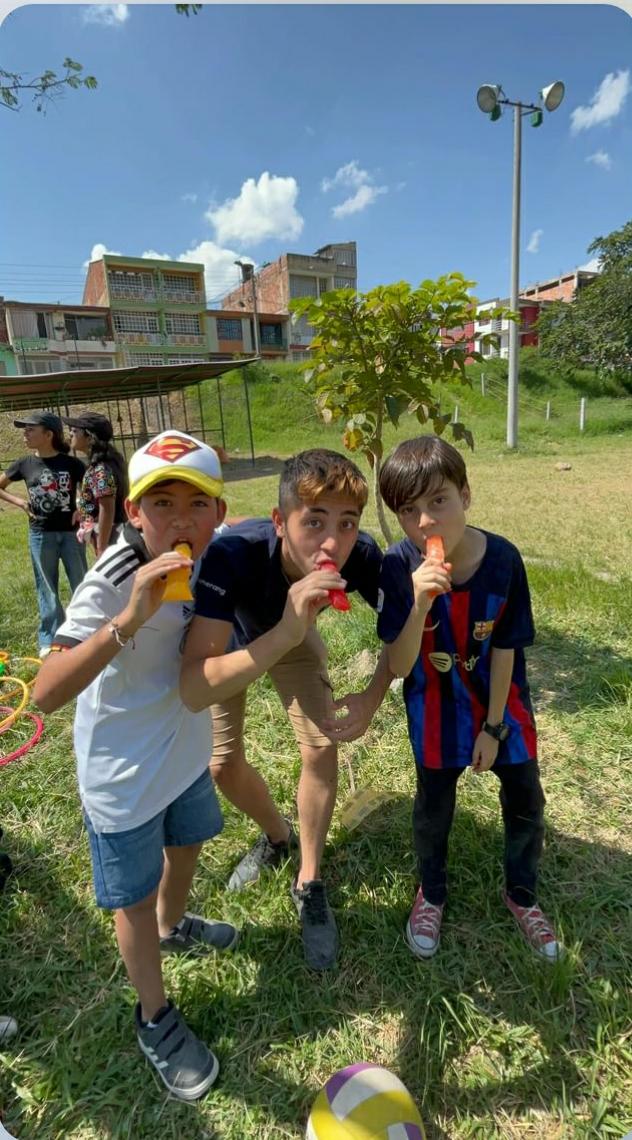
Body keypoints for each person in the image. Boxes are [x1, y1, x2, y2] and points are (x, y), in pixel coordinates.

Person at [32, 430, 239, 1101]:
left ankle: (173, 927)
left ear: (219, 511)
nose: (180, 521)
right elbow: (46, 689)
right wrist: (128, 619)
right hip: (121, 774)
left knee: (189, 843)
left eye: (196, 504)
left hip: (181, 747)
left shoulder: (217, 558)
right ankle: (153, 1016)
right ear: (131, 513)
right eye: (161, 504)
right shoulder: (114, 578)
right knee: (133, 895)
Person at [181, 448, 392, 971]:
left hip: (294, 642)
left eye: (346, 523)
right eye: (313, 521)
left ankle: (310, 879)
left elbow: (406, 632)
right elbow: (197, 682)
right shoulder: (232, 555)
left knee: (321, 746)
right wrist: (288, 629)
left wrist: (371, 695)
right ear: (279, 522)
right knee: (221, 764)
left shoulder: (360, 555)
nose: (331, 542)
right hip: (232, 644)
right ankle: (278, 837)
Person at [376, 435, 563, 962]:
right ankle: (431, 893)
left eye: (439, 501)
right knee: (433, 807)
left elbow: (506, 647)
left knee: (525, 797)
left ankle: (522, 894)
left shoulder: (503, 559)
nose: (427, 523)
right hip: (434, 704)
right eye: (410, 511)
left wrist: (496, 727)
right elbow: (401, 664)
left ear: (466, 495)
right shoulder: (397, 564)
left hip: (500, 702)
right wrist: (418, 600)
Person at [0, 411, 87, 657]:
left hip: (71, 535)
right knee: (46, 587)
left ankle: (85, 630)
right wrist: (19, 501)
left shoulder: (72, 464)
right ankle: (50, 638)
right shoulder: (24, 464)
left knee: (80, 583)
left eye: (30, 429)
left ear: (49, 434)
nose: (25, 434)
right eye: (24, 429)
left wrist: (81, 507)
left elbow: (89, 490)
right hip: (40, 534)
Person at [64, 412, 128, 556]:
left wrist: (102, 548)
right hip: (113, 534)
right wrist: (82, 508)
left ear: (90, 438)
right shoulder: (106, 463)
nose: (70, 434)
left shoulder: (101, 469)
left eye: (75, 431)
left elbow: (107, 508)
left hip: (112, 537)